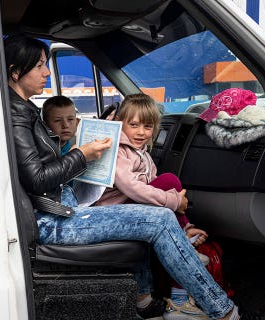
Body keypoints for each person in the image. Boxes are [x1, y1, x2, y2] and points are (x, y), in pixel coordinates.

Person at [4, 34, 239, 320]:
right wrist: (82, 153)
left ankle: (143, 301)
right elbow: (37, 179)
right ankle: (223, 311)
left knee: (144, 212)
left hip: (59, 209)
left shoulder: (25, 111)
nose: (45, 73)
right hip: (54, 221)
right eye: (39, 66)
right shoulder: (18, 117)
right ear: (16, 72)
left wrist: (88, 151)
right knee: (162, 218)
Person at [94, 93, 214, 318]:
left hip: (127, 205)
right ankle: (184, 240)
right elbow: (132, 188)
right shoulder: (119, 150)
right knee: (170, 181)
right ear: (120, 123)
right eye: (134, 125)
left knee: (164, 186)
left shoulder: (141, 153)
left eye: (148, 127)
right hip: (111, 211)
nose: (141, 132)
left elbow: (150, 184)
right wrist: (174, 200)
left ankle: (147, 298)